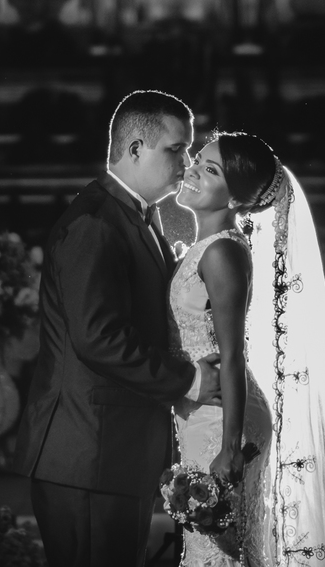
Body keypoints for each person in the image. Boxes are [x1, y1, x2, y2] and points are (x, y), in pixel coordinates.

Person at [12, 90, 223, 567]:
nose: (186, 162)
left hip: (112, 451)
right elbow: (99, 338)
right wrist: (189, 380)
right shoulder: (95, 223)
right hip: (88, 452)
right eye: (176, 148)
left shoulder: (135, 215)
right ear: (135, 149)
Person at [171, 132, 325, 566]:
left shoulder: (222, 252)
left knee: (216, 553)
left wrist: (230, 446)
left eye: (210, 170)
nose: (192, 170)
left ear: (236, 199)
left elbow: (234, 354)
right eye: (198, 160)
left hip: (221, 418)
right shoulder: (206, 247)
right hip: (206, 409)